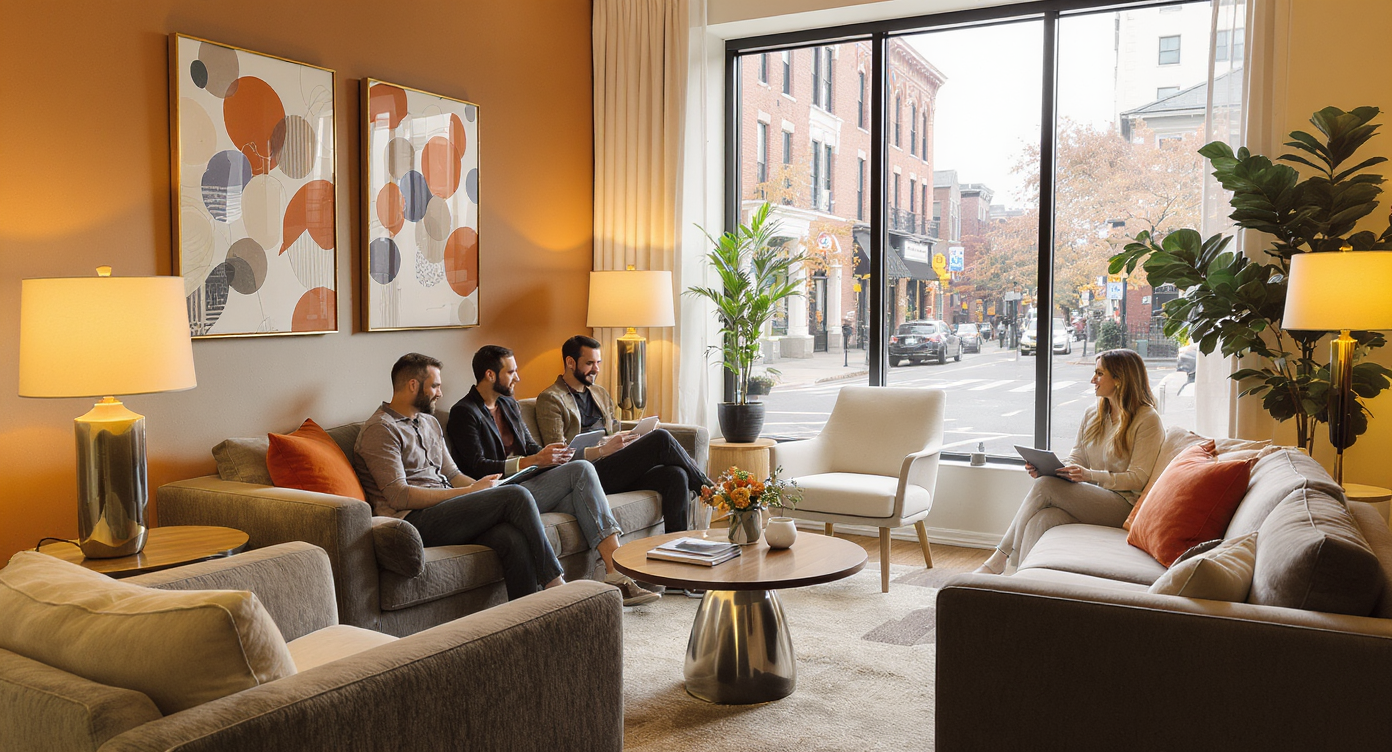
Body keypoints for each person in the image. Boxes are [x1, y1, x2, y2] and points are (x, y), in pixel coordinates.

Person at [447, 345, 660, 606]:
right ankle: (607, 573)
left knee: (584, 500)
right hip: (503, 494)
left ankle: (616, 574)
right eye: (511, 372)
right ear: (490, 375)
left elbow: (532, 448)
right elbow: (478, 466)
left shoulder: (509, 404)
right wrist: (533, 460)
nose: (518, 377)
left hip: (533, 484)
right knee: (582, 470)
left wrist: (551, 455)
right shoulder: (464, 412)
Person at [352, 353, 565, 601]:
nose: (440, 393)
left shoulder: (430, 422)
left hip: (448, 510)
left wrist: (482, 487)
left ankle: (530, 616)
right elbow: (399, 496)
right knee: (516, 495)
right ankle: (555, 582)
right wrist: (469, 493)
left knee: (510, 538)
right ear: (412, 385)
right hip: (413, 521)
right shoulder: (381, 429)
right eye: (435, 386)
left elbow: (452, 474)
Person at [975, 349, 1164, 575]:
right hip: (1091, 497)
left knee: (1045, 486)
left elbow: (1138, 477)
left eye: (1099, 373)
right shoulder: (1093, 414)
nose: (1092, 379)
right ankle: (1023, 581)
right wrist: (1053, 469)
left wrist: (1089, 475)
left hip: (1123, 505)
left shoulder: (1147, 419)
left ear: (1119, 378)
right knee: (1045, 517)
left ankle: (999, 557)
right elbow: (1078, 456)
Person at [533, 335, 707, 534]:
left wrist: (631, 436)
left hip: (614, 466)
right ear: (570, 362)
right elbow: (557, 456)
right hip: (587, 474)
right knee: (661, 439)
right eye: (589, 363)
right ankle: (708, 490)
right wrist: (600, 450)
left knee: (676, 475)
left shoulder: (599, 392)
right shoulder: (551, 399)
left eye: (598, 362)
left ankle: (676, 547)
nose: (596, 369)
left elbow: (613, 432)